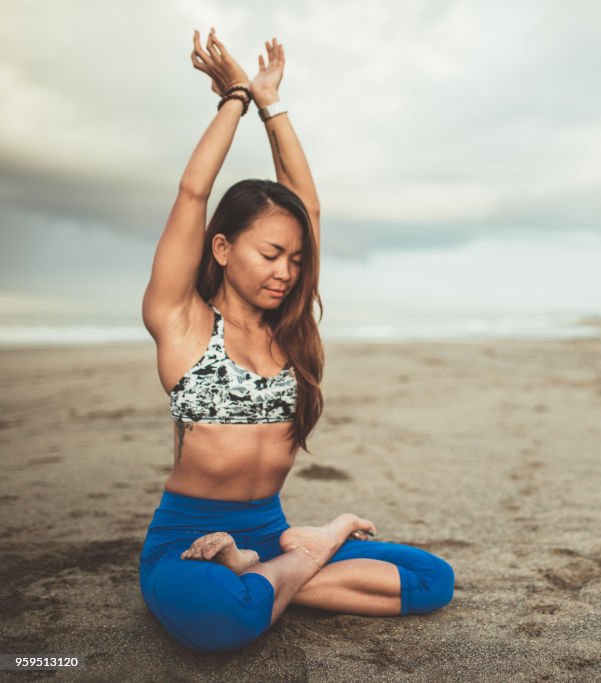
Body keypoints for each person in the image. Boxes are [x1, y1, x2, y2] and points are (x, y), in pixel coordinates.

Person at [138, 29, 454, 653]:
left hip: (270, 529)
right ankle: (304, 557)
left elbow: (306, 205)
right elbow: (193, 194)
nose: (285, 271)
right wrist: (234, 97)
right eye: (270, 254)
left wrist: (272, 103)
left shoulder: (291, 332)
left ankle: (266, 569)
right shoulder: (183, 323)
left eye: (295, 259)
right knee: (216, 622)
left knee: (433, 579)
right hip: (187, 538)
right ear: (222, 249)